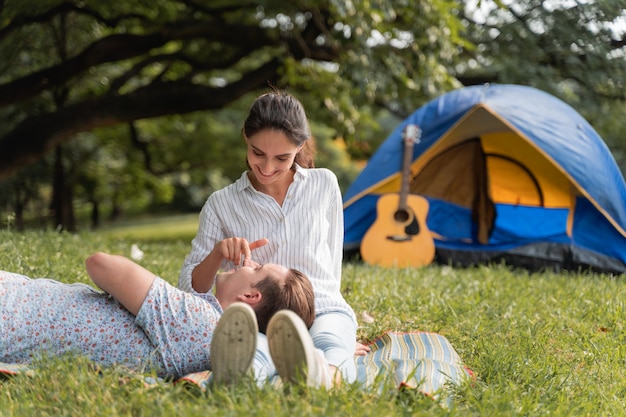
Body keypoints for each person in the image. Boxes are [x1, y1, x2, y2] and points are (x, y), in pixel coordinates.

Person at [178, 89, 367, 388]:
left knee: (331, 343)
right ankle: (239, 381)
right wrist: (216, 255)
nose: (267, 168)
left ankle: (327, 376)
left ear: (300, 146)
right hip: (260, 317)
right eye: (257, 153)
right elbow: (189, 289)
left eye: (282, 158)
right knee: (255, 352)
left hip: (321, 306)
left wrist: (340, 336)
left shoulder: (324, 184)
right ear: (246, 138)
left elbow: (331, 267)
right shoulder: (221, 203)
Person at [0, 240, 315, 382]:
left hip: (13, 310)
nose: (246, 262)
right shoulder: (210, 338)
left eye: (256, 267)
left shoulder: (200, 322)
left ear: (251, 295)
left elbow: (100, 264)